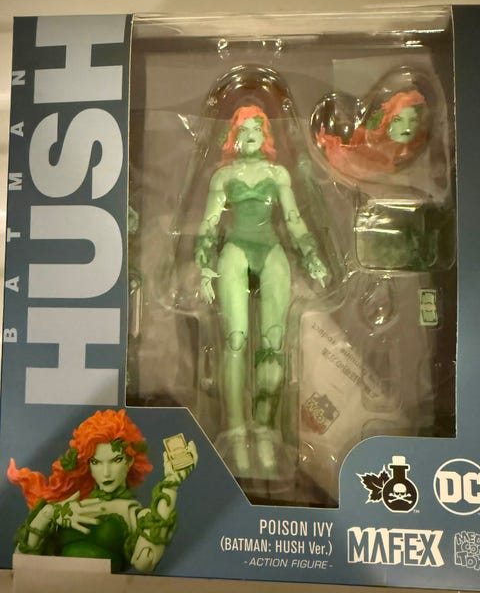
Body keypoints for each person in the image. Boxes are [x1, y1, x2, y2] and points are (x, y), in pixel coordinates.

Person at [195, 105, 327, 476]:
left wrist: (311, 255)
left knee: (273, 343)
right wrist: (204, 266)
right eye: (242, 130)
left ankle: (266, 428)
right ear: (233, 136)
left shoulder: (277, 173)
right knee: (235, 341)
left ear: (265, 135)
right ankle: (237, 431)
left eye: (256, 129)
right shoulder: (223, 176)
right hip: (235, 250)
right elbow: (208, 223)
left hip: (271, 250)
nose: (249, 136)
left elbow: (294, 219)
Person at [7, 409, 197, 573]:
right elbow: (22, 562)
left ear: (130, 461)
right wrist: (49, 513)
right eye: (96, 462)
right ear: (87, 464)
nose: (106, 472)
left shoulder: (136, 515)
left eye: (115, 460)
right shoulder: (70, 504)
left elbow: (145, 562)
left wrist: (171, 483)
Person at [317, 90, 426, 181]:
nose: (407, 127)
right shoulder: (363, 149)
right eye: (398, 120)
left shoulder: (411, 148)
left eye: (413, 120)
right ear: (386, 122)